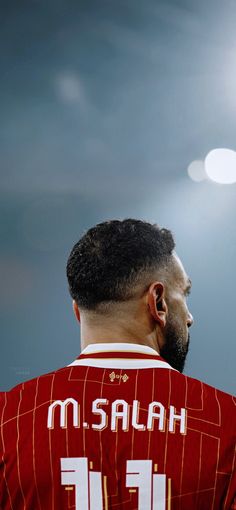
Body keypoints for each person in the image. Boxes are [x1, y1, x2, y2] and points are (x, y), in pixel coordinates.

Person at [0, 218, 235, 510]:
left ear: (77, 312)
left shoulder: (8, 418)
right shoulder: (227, 422)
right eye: (184, 295)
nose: (189, 317)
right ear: (158, 302)